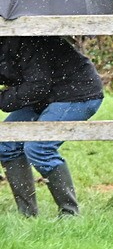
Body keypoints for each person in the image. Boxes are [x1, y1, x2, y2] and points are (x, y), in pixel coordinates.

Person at [1, 36, 104, 217]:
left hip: (76, 92)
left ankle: (69, 215)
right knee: (6, 144)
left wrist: (3, 99)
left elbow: (38, 85)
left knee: (39, 147)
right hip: (44, 96)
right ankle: (27, 216)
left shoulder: (25, 38)